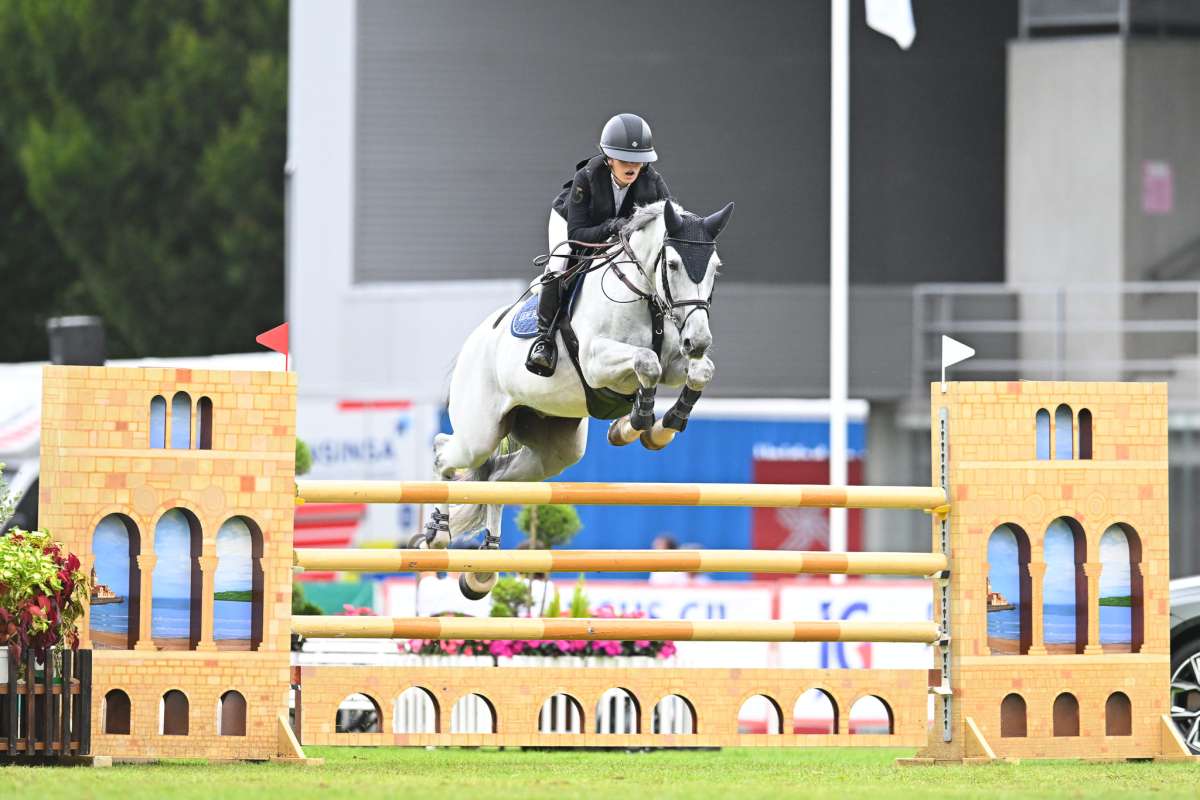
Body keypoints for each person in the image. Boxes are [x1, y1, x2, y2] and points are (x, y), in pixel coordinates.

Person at [525, 113, 673, 376]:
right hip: (571, 222)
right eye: (625, 159)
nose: (632, 166)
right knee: (559, 264)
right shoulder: (588, 177)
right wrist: (611, 227)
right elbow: (578, 233)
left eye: (638, 161)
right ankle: (543, 341)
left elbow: (668, 223)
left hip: (619, 235)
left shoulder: (653, 183)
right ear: (609, 158)